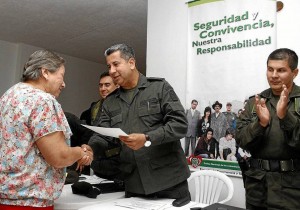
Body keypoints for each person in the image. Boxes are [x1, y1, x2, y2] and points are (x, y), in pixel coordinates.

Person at [88, 43, 191, 203]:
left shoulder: (159, 88)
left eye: (116, 64)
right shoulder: (110, 102)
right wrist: (90, 149)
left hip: (170, 182)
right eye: (109, 66)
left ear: (131, 63)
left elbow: (180, 125)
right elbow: (102, 135)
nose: (111, 71)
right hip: (134, 183)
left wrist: (147, 138)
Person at [0, 50, 93, 209]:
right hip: (30, 202)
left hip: (6, 197)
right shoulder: (43, 100)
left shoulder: (9, 95)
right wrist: (81, 152)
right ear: (45, 72)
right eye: (61, 75)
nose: (63, 84)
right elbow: (58, 157)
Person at [236, 48, 300, 210]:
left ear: (295, 72)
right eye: (270, 69)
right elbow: (241, 140)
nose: (274, 75)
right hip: (257, 187)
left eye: (281, 70)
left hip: (292, 189)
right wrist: (261, 124)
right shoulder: (255, 102)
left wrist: (285, 116)